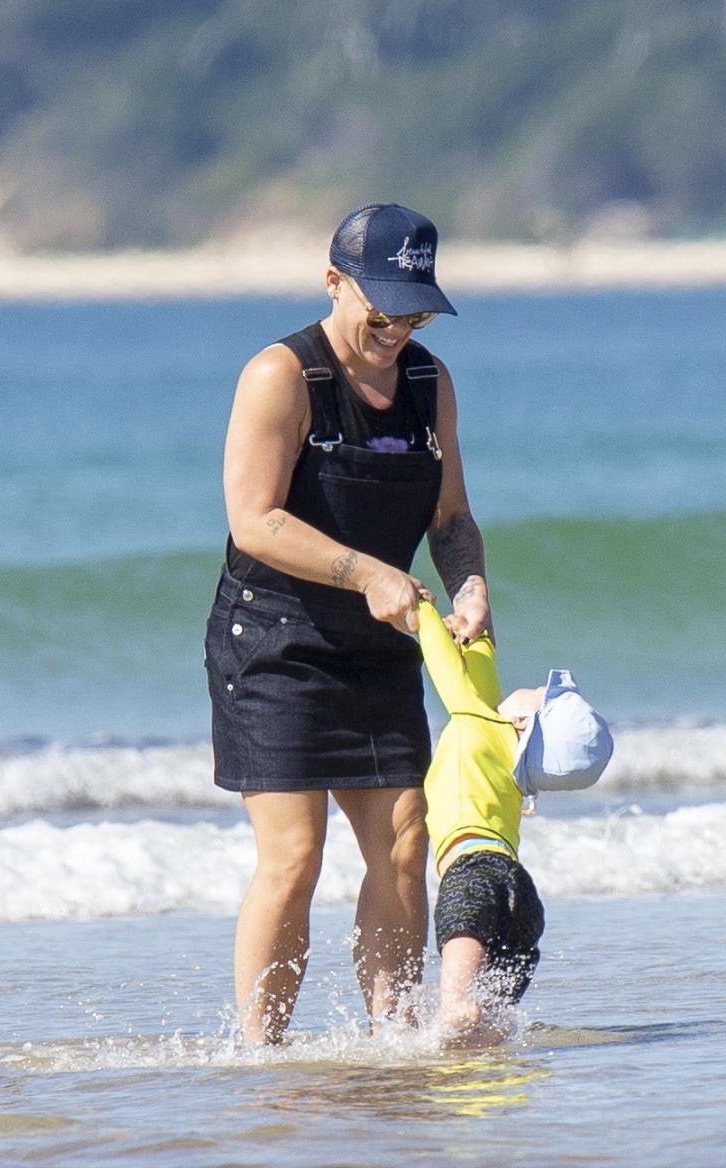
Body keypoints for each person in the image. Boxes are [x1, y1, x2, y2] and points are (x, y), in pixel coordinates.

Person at [204, 203, 491, 1043]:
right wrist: (368, 572)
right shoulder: (281, 376)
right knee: (294, 858)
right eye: (383, 306)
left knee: (405, 847)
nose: (398, 327)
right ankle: (263, 1051)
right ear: (335, 281)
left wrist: (469, 585)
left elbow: (451, 518)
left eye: (416, 309)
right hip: (275, 641)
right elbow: (254, 520)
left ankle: (392, 1040)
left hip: (381, 643)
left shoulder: (430, 384)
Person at [416, 599, 613, 1046]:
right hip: (519, 889)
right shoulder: (508, 754)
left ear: (524, 721)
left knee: (463, 927)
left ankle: (454, 1003)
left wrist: (421, 609)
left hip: (474, 868)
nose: (527, 688)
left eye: (539, 697)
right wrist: (477, 635)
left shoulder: (475, 722)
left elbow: (448, 673)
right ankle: (489, 1026)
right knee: (496, 998)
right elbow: (482, 682)